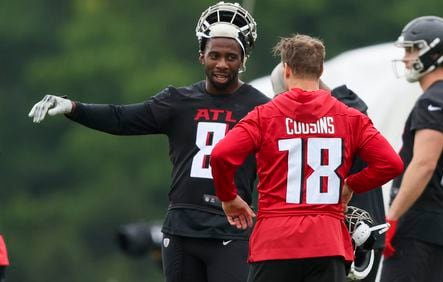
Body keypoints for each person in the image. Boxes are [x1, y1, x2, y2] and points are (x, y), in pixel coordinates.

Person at [28, 2, 270, 282]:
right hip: (182, 228)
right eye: (214, 55)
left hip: (229, 229)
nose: (222, 64)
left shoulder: (261, 108)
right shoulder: (178, 101)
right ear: (201, 55)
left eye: (231, 57)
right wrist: (73, 107)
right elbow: (121, 119)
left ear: (243, 59)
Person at [210, 34, 403, 282]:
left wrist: (229, 198)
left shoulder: (263, 116)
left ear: (286, 70)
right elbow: (391, 164)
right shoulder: (349, 117)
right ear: (321, 70)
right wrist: (352, 185)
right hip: (328, 242)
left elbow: (220, 155)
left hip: (275, 242)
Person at [380, 16, 443, 282]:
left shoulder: (433, 101)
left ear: (432, 52)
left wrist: (393, 217)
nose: (406, 57)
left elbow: (424, 164)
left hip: (419, 224)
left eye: (412, 49)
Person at [270, 63, 386, 282]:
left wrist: (351, 185)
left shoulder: (339, 115)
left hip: (347, 233)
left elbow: (389, 163)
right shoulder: (349, 112)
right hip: (360, 229)